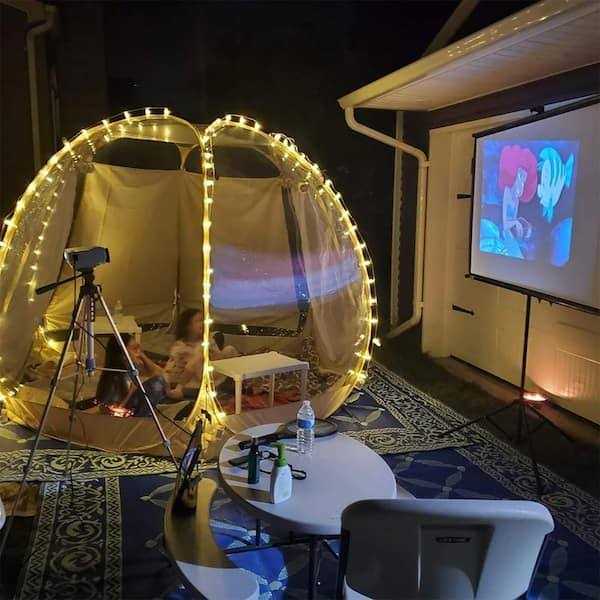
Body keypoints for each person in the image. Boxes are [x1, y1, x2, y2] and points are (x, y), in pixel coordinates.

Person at [96, 334, 183, 416]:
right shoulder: (115, 377)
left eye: (139, 348)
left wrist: (142, 356)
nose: (138, 352)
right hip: (127, 416)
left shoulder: (132, 367)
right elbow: (109, 410)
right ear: (123, 354)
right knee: (156, 383)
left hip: (137, 407)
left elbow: (161, 375)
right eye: (134, 349)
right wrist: (132, 391)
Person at [165, 309, 239, 391]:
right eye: (198, 321)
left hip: (210, 373)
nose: (203, 323)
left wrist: (214, 355)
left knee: (230, 349)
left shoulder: (208, 340)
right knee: (200, 351)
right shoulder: (179, 345)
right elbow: (172, 367)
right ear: (188, 326)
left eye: (203, 320)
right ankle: (179, 389)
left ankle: (236, 382)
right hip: (192, 380)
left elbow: (217, 360)